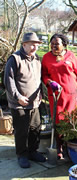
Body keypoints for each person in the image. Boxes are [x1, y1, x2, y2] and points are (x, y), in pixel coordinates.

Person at [4, 32, 46, 168]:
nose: (35, 47)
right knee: (22, 130)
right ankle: (22, 155)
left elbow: (38, 79)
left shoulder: (37, 59)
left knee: (36, 127)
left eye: (37, 45)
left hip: (34, 102)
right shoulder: (14, 59)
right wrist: (18, 97)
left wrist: (40, 94)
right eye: (32, 45)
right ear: (24, 44)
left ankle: (33, 151)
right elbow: (8, 81)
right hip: (19, 103)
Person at [42, 33, 77, 159]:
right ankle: (59, 146)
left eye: (57, 44)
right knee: (57, 121)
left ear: (64, 45)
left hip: (72, 95)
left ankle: (70, 146)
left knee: (72, 121)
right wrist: (50, 82)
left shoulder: (71, 56)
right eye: (52, 44)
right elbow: (44, 75)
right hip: (56, 95)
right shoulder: (46, 58)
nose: (54, 46)